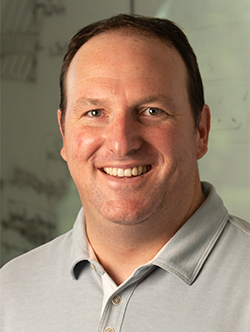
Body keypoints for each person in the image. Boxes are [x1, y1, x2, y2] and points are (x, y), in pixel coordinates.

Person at [1, 14, 249, 332]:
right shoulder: (10, 292)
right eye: (94, 112)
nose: (121, 143)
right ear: (63, 133)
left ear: (200, 130)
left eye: (151, 111)